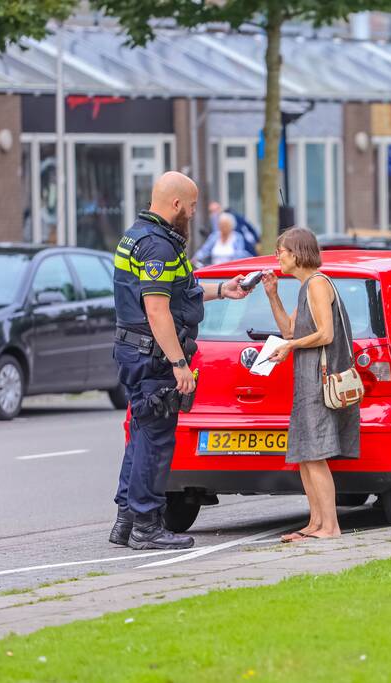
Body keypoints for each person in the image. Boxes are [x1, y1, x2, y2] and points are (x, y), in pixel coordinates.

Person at [109, 172, 248, 550]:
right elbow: (158, 310)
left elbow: (179, 293)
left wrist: (222, 290)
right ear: (176, 205)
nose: (193, 212)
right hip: (153, 357)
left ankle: (126, 521)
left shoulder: (135, 236)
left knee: (141, 434)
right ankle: (147, 527)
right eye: (191, 205)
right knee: (155, 440)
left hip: (132, 350)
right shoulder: (159, 246)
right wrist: (178, 363)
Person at [260, 227, 360, 542]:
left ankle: (330, 527)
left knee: (315, 454)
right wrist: (273, 295)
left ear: (298, 253)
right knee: (305, 454)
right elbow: (289, 330)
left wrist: (290, 348)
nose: (278, 256)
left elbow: (326, 334)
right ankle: (315, 523)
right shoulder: (304, 287)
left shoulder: (317, 284)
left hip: (319, 380)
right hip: (306, 380)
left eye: (282, 251)